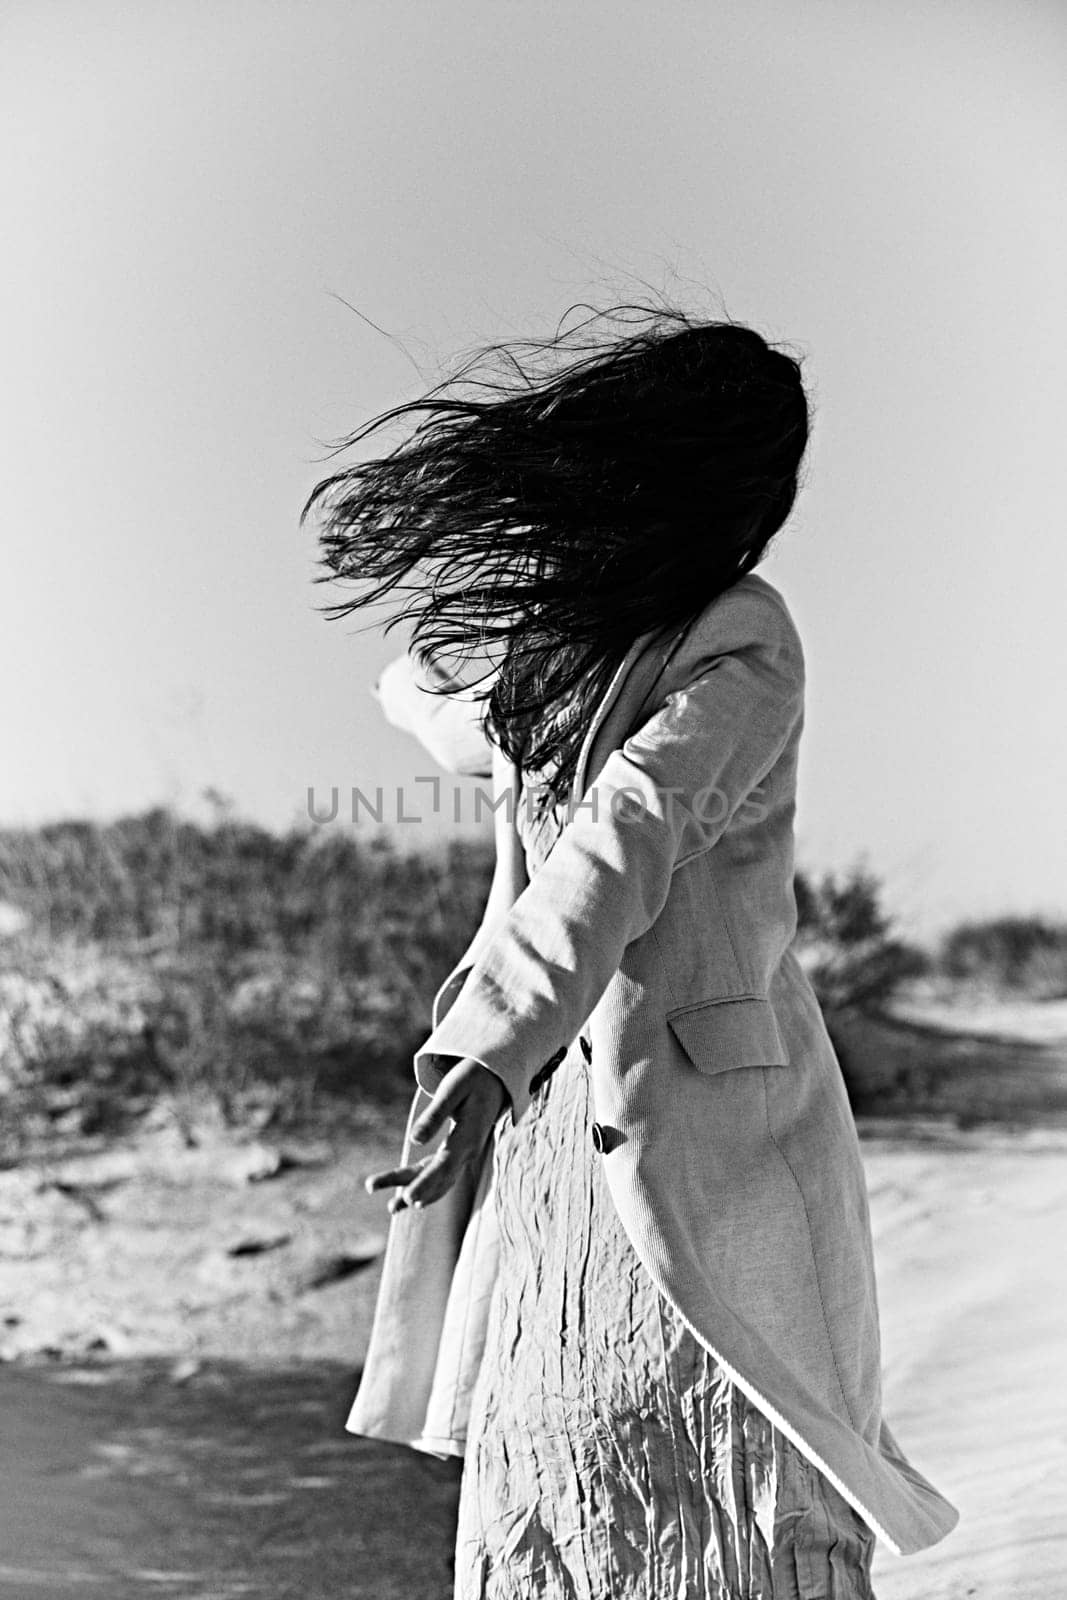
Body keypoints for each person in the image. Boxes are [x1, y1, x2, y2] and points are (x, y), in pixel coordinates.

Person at [302, 303, 959, 1598]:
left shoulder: (741, 641)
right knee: (563, 1468)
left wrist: (486, 1046)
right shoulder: (572, 651)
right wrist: (426, 681)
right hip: (569, 1132)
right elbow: (473, 734)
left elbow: (629, 837)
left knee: (742, 1483)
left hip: (696, 1129)